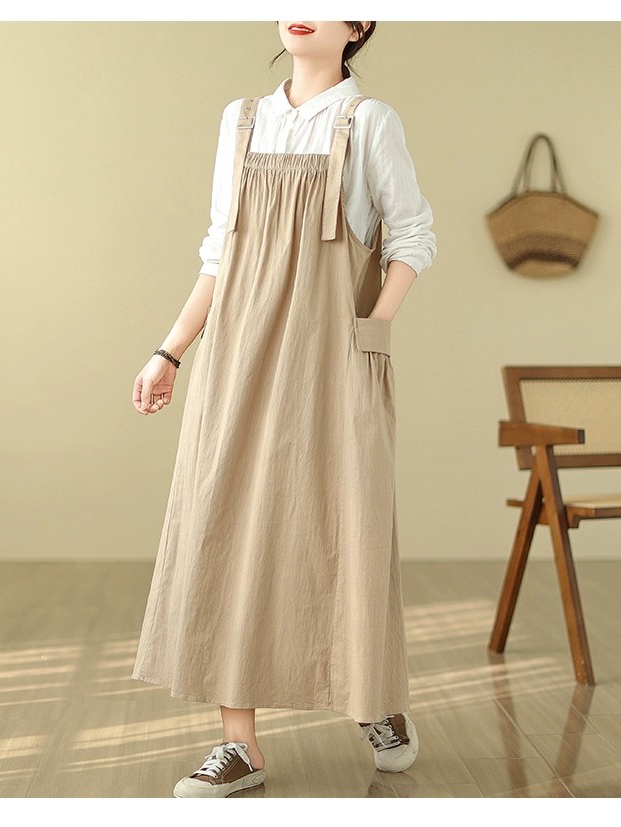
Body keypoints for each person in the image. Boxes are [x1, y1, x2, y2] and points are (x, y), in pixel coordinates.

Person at [130, 21, 437, 798]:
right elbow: (219, 252)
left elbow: (413, 237)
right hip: (237, 359)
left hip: (335, 361)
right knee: (226, 531)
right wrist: (170, 351)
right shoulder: (240, 121)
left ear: (359, 25)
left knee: (344, 530)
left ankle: (373, 695)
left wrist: (368, 334)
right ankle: (239, 743)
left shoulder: (369, 121)